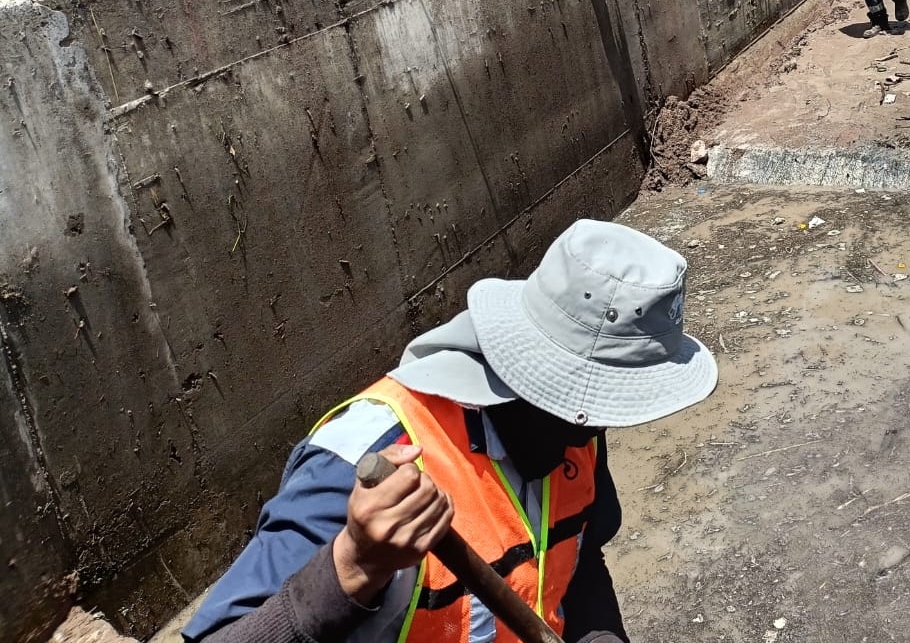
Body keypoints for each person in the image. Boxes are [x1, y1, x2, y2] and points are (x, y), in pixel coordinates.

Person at [183, 220, 718, 643]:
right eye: (607, 399)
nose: (599, 426)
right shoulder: (362, 463)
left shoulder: (576, 430)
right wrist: (352, 567)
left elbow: (578, 564)